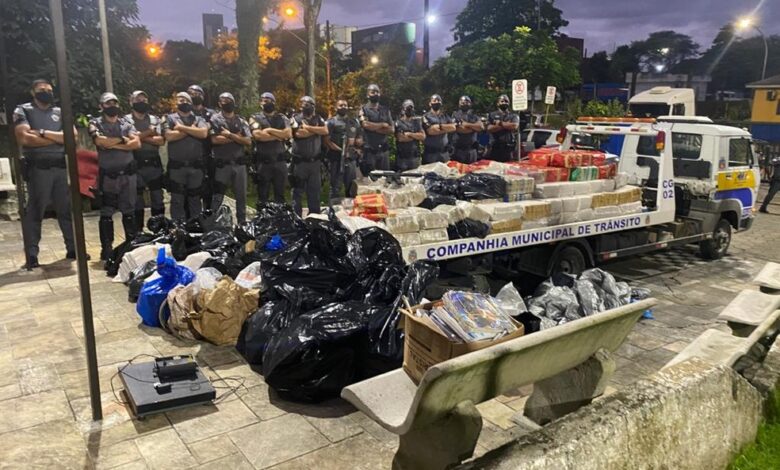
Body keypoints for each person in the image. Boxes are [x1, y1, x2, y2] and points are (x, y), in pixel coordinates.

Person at [13, 79, 77, 268]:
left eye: (49, 90)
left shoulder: (60, 111)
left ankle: (72, 248)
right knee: (35, 211)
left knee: (66, 211)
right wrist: (57, 139)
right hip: (38, 168)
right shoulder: (23, 110)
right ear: (33, 92)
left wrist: (41, 133)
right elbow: (24, 137)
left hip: (59, 167)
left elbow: (72, 138)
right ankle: (32, 255)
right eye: (42, 90)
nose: (46, 92)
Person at [88, 92, 141, 260]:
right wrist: (122, 140)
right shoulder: (95, 122)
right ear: (102, 106)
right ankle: (106, 248)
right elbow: (99, 142)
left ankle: (130, 244)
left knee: (129, 210)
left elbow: (137, 143)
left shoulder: (126, 122)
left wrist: (113, 144)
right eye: (108, 103)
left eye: (115, 103)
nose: (112, 106)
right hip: (109, 177)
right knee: (107, 211)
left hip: (128, 175)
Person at [163, 92, 209, 222]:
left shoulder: (198, 119)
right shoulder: (169, 118)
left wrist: (181, 128)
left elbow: (204, 133)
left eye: (186, 100)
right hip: (177, 168)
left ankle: (195, 229)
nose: (183, 102)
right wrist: (191, 130)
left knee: (195, 200)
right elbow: (169, 136)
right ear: (176, 103)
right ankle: (178, 230)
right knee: (177, 200)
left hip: (196, 168)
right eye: (180, 100)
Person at [126, 90, 165, 231]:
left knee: (158, 200)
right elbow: (129, 140)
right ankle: (138, 233)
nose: (141, 102)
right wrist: (150, 133)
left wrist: (140, 136)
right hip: (136, 165)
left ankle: (159, 231)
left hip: (154, 165)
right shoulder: (126, 120)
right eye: (138, 100)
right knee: (137, 202)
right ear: (131, 102)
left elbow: (161, 141)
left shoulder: (154, 120)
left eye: (144, 100)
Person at [209, 92, 251, 223]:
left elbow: (248, 141)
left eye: (228, 99)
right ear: (219, 103)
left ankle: (242, 224)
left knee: (241, 196)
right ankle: (213, 224)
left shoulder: (241, 120)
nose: (226, 102)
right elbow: (215, 140)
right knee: (217, 196)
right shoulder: (214, 119)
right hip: (222, 165)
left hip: (239, 164)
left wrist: (228, 135)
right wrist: (237, 137)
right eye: (223, 100)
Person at [249, 92, 291, 204]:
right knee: (263, 196)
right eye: (262, 100)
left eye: (267, 100)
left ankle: (280, 219)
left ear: (273, 102)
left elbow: (288, 134)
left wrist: (269, 130)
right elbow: (258, 136)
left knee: (280, 196)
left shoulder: (282, 118)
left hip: (280, 162)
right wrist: (278, 136)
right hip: (264, 163)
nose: (264, 102)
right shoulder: (255, 118)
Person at [290, 96, 328, 216]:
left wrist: (308, 128)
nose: (304, 106)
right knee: (297, 192)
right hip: (300, 163)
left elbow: (325, 131)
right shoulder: (295, 118)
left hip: (315, 163)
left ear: (313, 106)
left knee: (314, 192)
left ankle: (314, 218)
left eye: (307, 104)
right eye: (303, 104)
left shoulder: (318, 118)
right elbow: (299, 134)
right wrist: (316, 131)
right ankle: (297, 219)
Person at [324, 99, 360, 203]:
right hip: (335, 159)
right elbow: (326, 141)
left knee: (351, 187)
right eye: (341, 105)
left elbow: (360, 138)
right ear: (336, 108)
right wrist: (341, 150)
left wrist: (356, 147)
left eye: (345, 105)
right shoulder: (331, 122)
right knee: (335, 187)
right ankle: (333, 211)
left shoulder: (354, 121)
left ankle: (351, 212)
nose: (343, 107)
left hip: (350, 159)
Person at [187, 84, 215, 216]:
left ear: (202, 96)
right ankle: (191, 222)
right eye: (190, 93)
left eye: (196, 93)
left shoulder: (211, 113)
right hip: (189, 157)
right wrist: (202, 129)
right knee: (191, 194)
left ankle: (209, 222)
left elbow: (214, 129)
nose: (193, 96)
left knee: (208, 192)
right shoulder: (184, 113)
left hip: (207, 156)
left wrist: (194, 130)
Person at [358, 84, 394, 174]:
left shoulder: (385, 110)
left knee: (385, 179)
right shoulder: (363, 110)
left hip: (384, 152)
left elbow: (392, 129)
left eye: (377, 92)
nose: (376, 94)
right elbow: (365, 124)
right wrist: (382, 124)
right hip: (370, 152)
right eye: (373, 92)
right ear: (367, 95)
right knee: (371, 180)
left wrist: (374, 128)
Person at [422, 94, 456, 164]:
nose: (436, 102)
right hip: (431, 155)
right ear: (430, 103)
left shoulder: (445, 116)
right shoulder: (425, 117)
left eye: (438, 100)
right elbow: (431, 131)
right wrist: (446, 128)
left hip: (444, 154)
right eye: (434, 100)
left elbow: (453, 127)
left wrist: (439, 127)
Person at [451, 95, 484, 164]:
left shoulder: (474, 116)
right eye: (462, 101)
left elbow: (481, 127)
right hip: (458, 150)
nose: (464, 103)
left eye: (466, 101)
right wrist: (474, 128)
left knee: (472, 172)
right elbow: (459, 129)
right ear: (459, 103)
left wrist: (467, 124)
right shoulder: (455, 115)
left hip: (472, 150)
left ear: (470, 104)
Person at [487, 94, 520, 162]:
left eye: (506, 101)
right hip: (495, 147)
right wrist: (506, 125)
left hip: (508, 148)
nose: (504, 103)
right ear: (498, 103)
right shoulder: (491, 115)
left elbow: (514, 126)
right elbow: (489, 128)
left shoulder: (513, 115)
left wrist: (500, 123)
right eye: (502, 101)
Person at [394, 100, 425, 172]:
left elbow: (423, 136)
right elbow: (401, 138)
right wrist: (416, 136)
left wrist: (410, 134)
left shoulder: (417, 122)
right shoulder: (398, 122)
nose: (410, 110)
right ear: (403, 109)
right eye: (408, 108)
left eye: (411, 108)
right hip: (402, 160)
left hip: (415, 158)